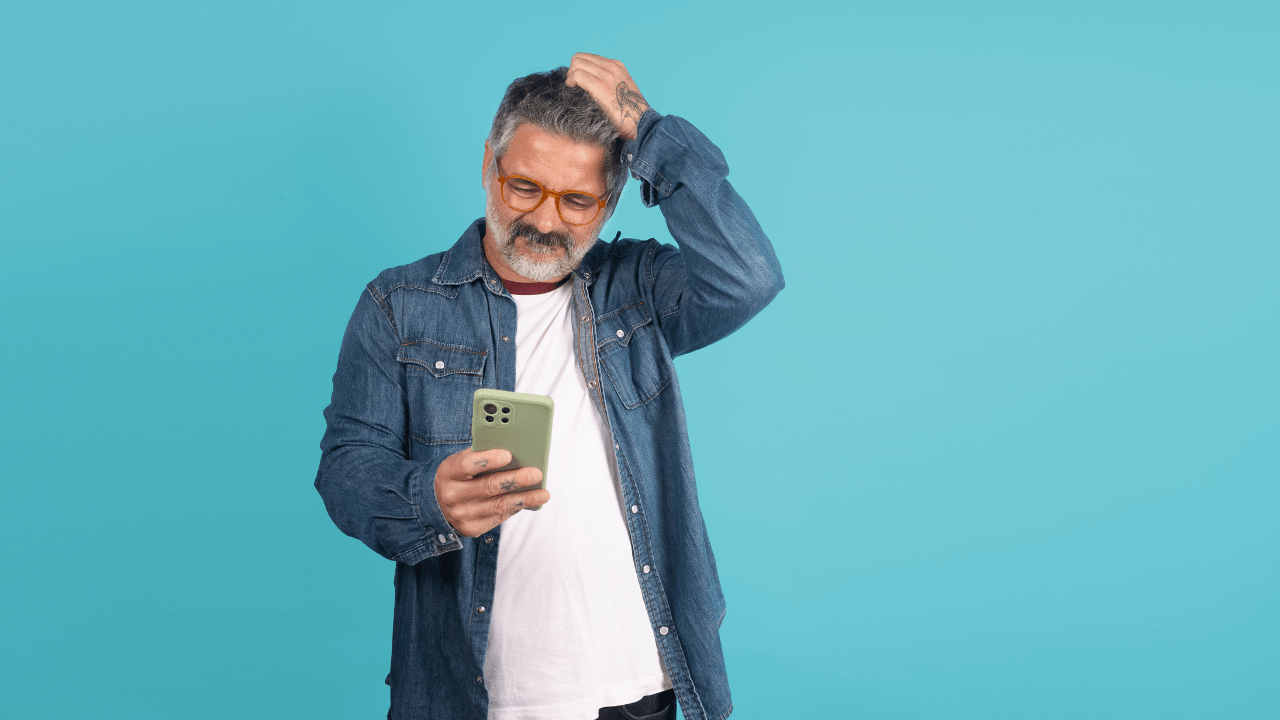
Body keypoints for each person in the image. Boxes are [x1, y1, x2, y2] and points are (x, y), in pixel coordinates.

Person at [316, 53, 783, 720]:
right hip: (474, 695)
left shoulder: (640, 290)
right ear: (489, 166)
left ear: (611, 200)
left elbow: (747, 278)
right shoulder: (399, 304)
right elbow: (345, 470)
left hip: (635, 689)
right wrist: (428, 498)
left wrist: (651, 133)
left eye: (577, 200)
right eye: (524, 188)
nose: (545, 220)